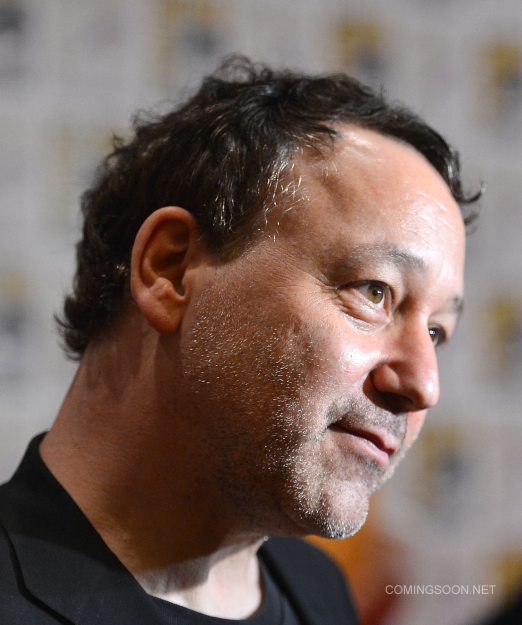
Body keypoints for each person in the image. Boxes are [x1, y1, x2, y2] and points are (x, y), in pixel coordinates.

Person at [0, 56, 479, 624]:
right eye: (375, 292)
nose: (424, 385)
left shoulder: (320, 590)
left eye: (436, 331)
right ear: (170, 270)